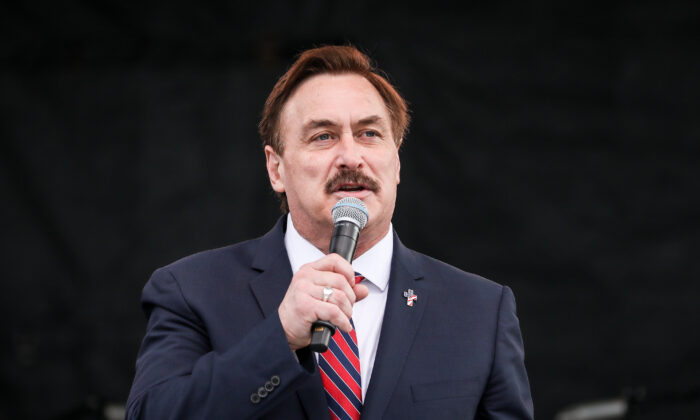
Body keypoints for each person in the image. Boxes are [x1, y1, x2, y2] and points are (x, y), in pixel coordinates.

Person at [126, 45, 533, 419]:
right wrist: (280, 336)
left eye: (369, 134)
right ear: (276, 168)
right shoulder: (191, 291)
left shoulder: (480, 310)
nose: (350, 157)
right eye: (323, 136)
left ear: (396, 162)